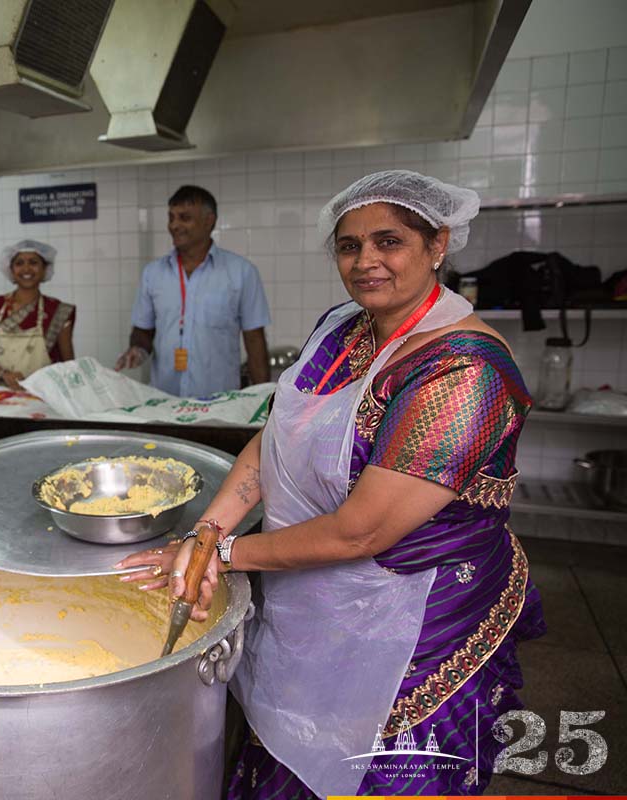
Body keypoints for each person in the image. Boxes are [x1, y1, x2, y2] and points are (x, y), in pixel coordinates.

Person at [116, 170, 545, 797]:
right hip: (320, 595)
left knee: (377, 772)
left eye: (389, 241)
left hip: (416, 616)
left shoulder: (462, 369)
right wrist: (209, 527)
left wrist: (223, 553)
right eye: (350, 246)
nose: (366, 261)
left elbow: (363, 529)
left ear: (437, 245)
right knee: (292, 747)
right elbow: (276, 438)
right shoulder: (344, 329)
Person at [116, 185, 271, 396]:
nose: (174, 225)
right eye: (171, 218)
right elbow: (143, 331)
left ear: (209, 221)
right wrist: (137, 350)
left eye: (184, 217)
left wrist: (263, 401)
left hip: (219, 404)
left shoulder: (241, 272)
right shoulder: (153, 274)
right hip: (165, 402)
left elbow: (255, 341)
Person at [0, 239, 75, 391]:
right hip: (0, 398)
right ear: (11, 270)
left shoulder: (59, 311)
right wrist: (5, 375)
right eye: (19, 263)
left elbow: (68, 366)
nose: (26, 269)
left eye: (33, 262)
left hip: (44, 397)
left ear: (45, 269)